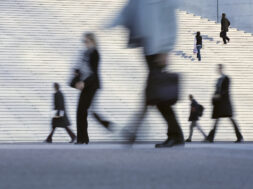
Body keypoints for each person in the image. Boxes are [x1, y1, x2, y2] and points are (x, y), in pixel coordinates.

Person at [108, 0, 184, 148]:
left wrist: (166, 48)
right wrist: (108, 24)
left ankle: (134, 130)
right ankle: (173, 135)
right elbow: (128, 10)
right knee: (155, 94)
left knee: (154, 94)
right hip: (148, 47)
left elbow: (170, 19)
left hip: (157, 50)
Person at [74, 32, 111, 144]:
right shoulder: (85, 53)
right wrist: (77, 74)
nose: (84, 43)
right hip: (86, 85)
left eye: (86, 41)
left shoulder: (95, 53)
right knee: (81, 111)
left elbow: (93, 72)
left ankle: (108, 126)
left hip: (91, 85)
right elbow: (82, 68)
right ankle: (83, 138)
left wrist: (83, 82)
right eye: (83, 41)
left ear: (93, 41)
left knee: (83, 110)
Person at [206, 64, 243, 143]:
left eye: (219, 68)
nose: (218, 70)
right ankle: (210, 137)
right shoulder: (218, 79)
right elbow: (217, 90)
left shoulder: (226, 78)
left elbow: (226, 89)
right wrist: (214, 97)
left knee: (230, 118)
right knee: (217, 120)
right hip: (219, 103)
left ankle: (239, 136)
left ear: (222, 69)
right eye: (217, 68)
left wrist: (219, 95)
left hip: (225, 102)